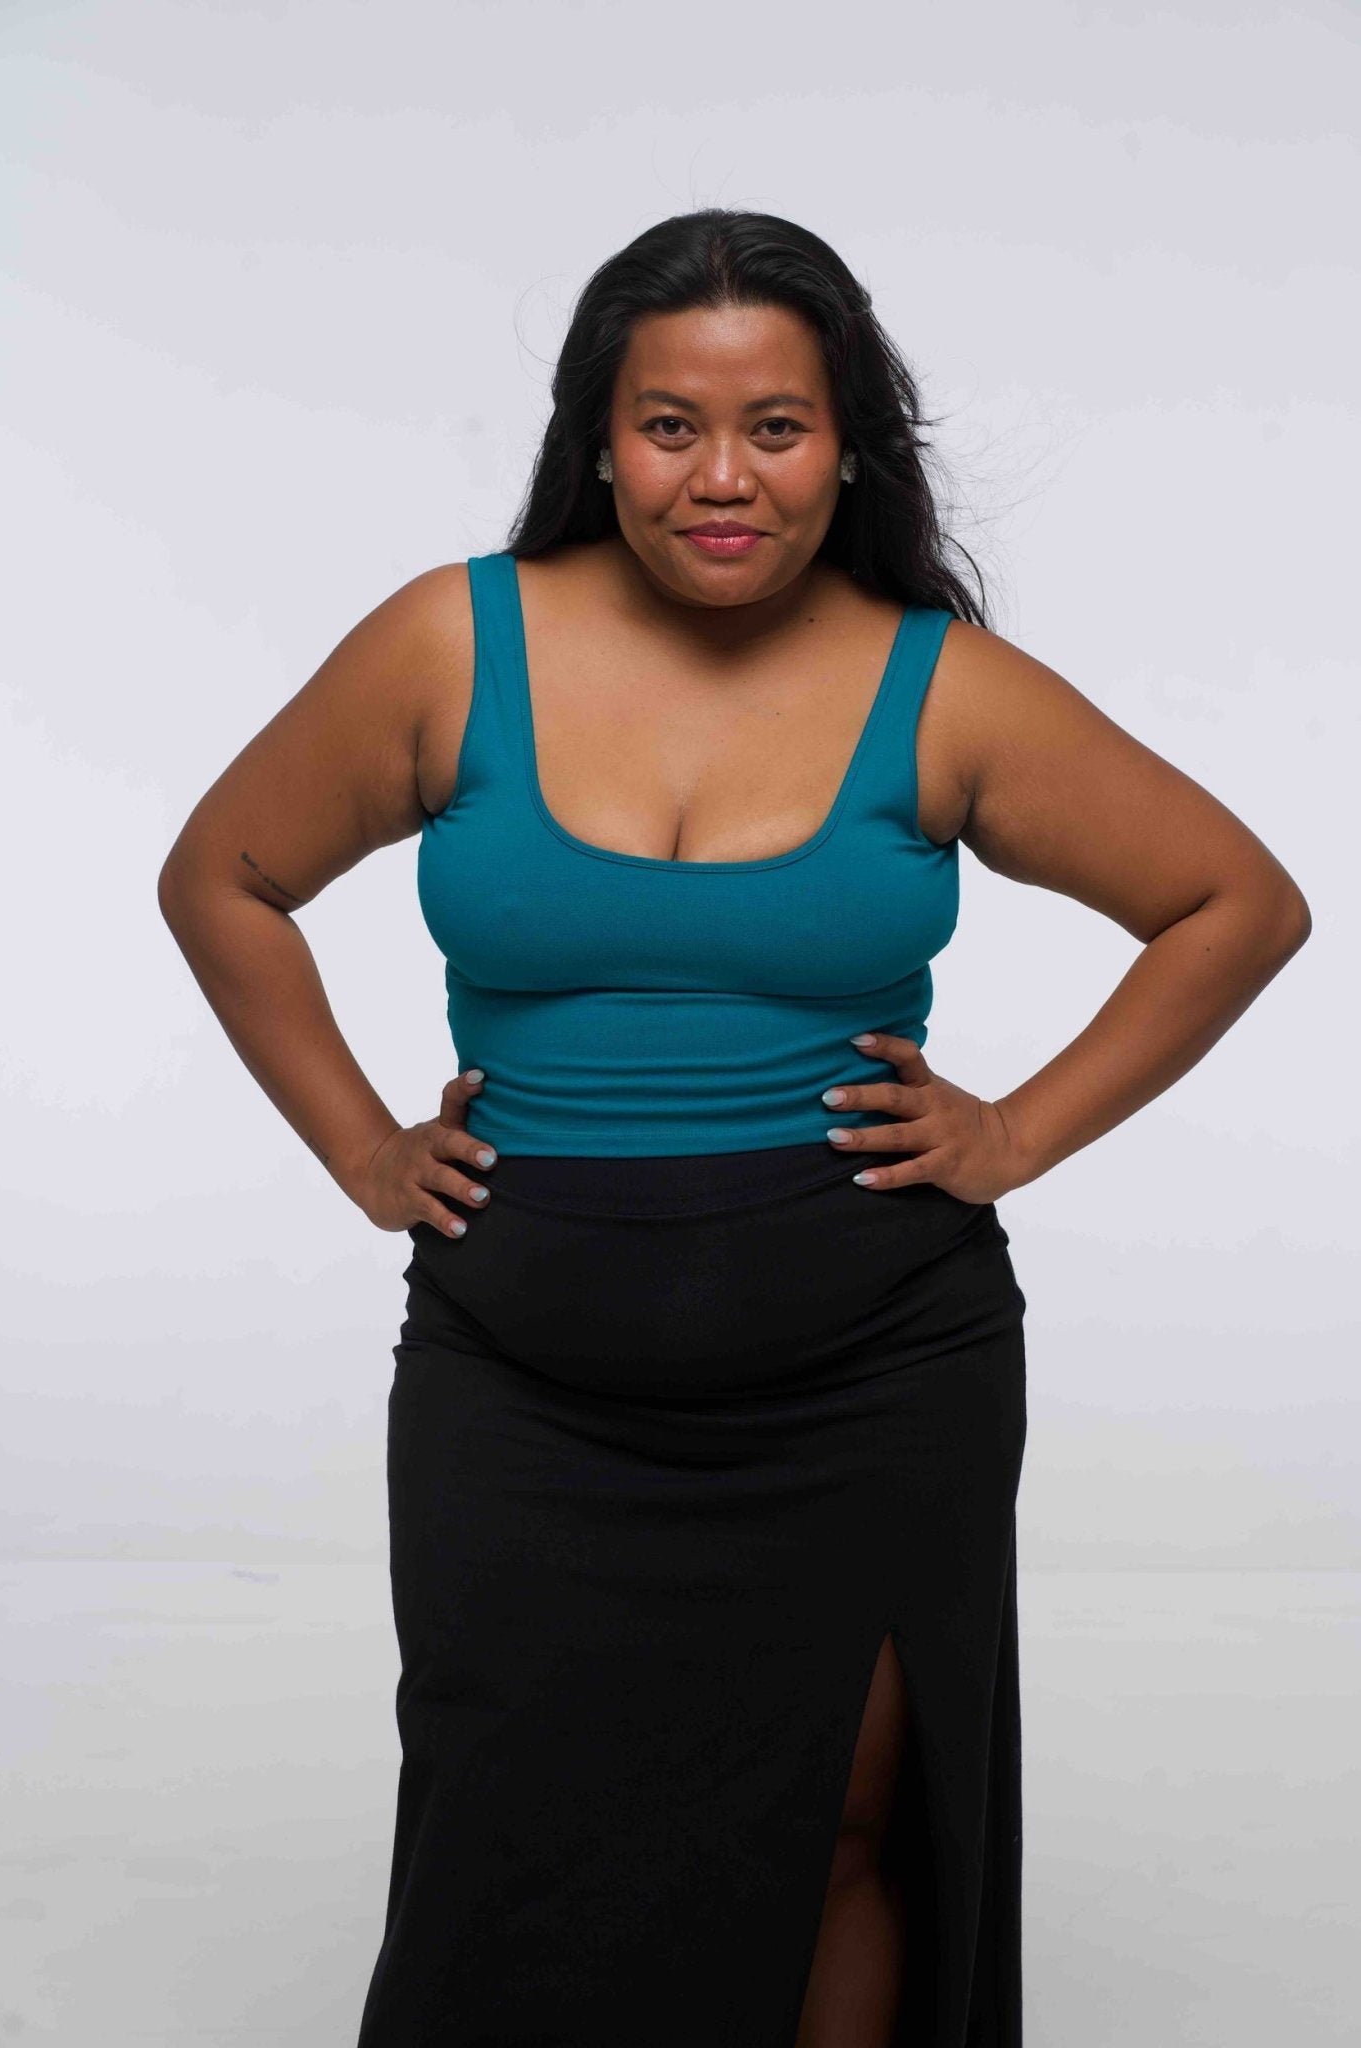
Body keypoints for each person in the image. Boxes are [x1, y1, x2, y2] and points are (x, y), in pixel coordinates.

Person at [156, 209, 1311, 2048]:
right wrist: (363, 1149)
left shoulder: (940, 682)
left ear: (847, 447)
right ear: (596, 440)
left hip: (876, 1371)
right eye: (668, 425)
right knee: (504, 1828)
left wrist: (1014, 1134)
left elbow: (1233, 903)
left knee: (849, 1821)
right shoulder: (451, 643)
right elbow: (221, 875)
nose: (721, 477)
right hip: (519, 1378)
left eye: (774, 426)